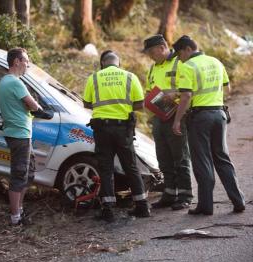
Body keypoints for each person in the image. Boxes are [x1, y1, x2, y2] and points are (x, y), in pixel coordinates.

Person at [172, 35, 245, 215]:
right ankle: (238, 200)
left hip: (200, 118)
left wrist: (176, 120)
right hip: (219, 114)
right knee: (222, 157)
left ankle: (206, 206)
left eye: (179, 54)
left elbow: (186, 96)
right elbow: (226, 88)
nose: (179, 58)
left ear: (187, 49)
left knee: (202, 160)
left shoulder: (188, 66)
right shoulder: (216, 61)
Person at [83, 50, 150, 222]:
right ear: (118, 63)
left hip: (102, 129)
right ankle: (142, 206)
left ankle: (108, 211)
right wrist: (123, 107)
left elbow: (86, 103)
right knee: (131, 166)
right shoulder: (130, 77)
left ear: (103, 63)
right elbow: (140, 104)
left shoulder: (94, 78)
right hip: (123, 129)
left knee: (106, 168)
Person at [142, 34, 193, 210]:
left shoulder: (180, 62)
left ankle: (185, 195)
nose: (149, 55)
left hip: (178, 115)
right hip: (159, 117)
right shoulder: (152, 68)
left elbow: (190, 88)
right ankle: (170, 194)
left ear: (161, 48)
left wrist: (176, 94)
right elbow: (150, 91)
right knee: (163, 157)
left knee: (180, 157)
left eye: (150, 52)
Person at [0, 48, 42, 225]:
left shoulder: (5, 81)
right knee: (19, 173)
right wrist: (39, 108)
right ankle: (15, 217)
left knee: (28, 172)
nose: (27, 64)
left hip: (18, 132)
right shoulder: (15, 82)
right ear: (16, 61)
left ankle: (20, 210)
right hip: (19, 134)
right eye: (26, 61)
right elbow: (32, 105)